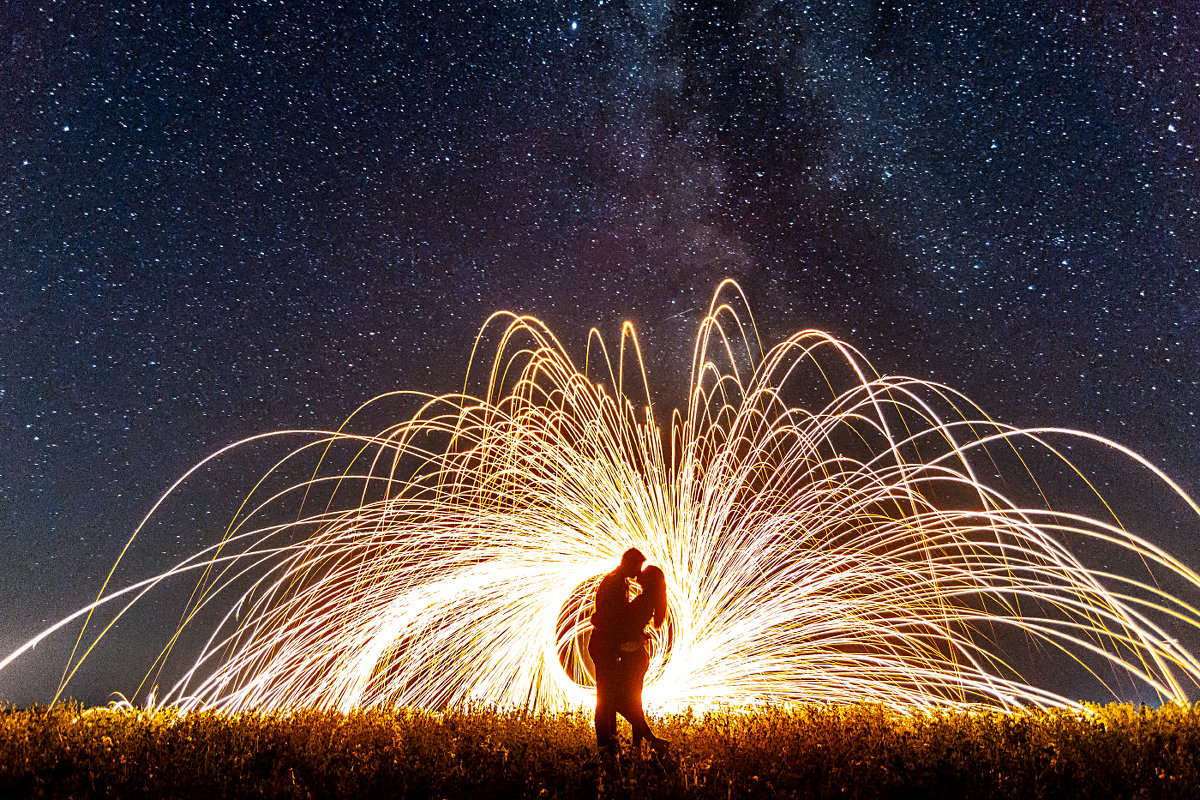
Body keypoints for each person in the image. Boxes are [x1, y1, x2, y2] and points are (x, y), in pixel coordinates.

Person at [588, 547, 646, 752]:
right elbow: (615, 616)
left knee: (608, 695)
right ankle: (605, 744)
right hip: (605, 644)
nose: (639, 572)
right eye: (638, 567)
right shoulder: (615, 583)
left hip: (604, 642)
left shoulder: (614, 579)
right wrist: (630, 635)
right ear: (630, 564)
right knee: (606, 696)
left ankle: (609, 742)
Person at [613, 565, 668, 753]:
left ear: (649, 581)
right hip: (636, 655)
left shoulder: (644, 601)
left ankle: (652, 740)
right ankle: (637, 747)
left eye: (643, 574)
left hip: (633, 656)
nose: (639, 575)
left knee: (617, 700)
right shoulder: (649, 599)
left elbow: (626, 623)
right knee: (635, 702)